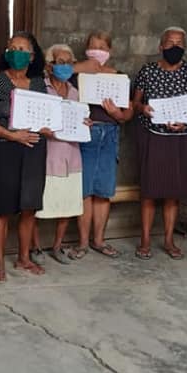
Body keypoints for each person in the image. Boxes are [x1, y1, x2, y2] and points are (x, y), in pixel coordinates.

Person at [132, 27, 187, 261]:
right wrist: (143, 108)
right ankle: (145, 240)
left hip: (180, 138)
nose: (175, 47)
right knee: (149, 191)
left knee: (173, 193)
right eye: (170, 43)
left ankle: (168, 240)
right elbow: (135, 103)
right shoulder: (148, 71)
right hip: (152, 135)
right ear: (160, 46)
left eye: (179, 44)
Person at [0, 31, 49, 281]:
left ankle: (23, 258)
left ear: (31, 56)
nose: (16, 53)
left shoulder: (39, 83)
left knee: (29, 207)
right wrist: (12, 136)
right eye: (12, 48)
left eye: (22, 49)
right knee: (3, 208)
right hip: (6, 148)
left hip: (34, 149)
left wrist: (54, 126)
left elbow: (47, 116)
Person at [71, 31, 132, 259]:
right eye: (93, 46)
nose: (97, 51)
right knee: (84, 190)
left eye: (102, 47)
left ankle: (99, 240)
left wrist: (117, 114)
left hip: (110, 134)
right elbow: (55, 79)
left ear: (110, 51)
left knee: (103, 192)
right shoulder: (76, 75)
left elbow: (128, 113)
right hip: (86, 133)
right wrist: (80, 67)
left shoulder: (119, 77)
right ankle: (82, 243)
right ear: (86, 50)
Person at [33, 44, 87, 263]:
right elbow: (32, 118)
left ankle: (57, 246)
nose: (66, 67)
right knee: (37, 206)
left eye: (69, 63)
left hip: (72, 156)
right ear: (49, 66)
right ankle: (35, 248)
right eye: (60, 62)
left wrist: (85, 123)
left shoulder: (75, 92)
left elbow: (80, 118)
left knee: (68, 204)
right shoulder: (40, 89)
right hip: (47, 156)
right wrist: (41, 128)